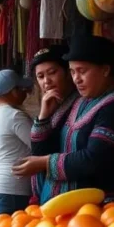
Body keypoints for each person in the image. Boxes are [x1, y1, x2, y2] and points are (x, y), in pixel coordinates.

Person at [14, 35, 114, 205]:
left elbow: (94, 159)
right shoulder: (84, 100)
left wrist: (46, 163)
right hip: (83, 208)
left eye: (82, 71)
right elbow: (44, 150)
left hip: (112, 206)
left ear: (105, 70)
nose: (76, 78)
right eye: (72, 71)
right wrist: (43, 118)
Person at [25, 45, 78, 204]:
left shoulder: (81, 103)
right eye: (40, 76)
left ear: (68, 73)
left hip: (73, 195)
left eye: (52, 73)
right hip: (50, 192)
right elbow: (39, 153)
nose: (46, 81)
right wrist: (43, 116)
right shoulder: (52, 105)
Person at [0, 69, 34, 218]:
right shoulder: (16, 116)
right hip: (13, 192)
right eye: (22, 89)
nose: (26, 93)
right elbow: (39, 147)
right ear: (13, 92)